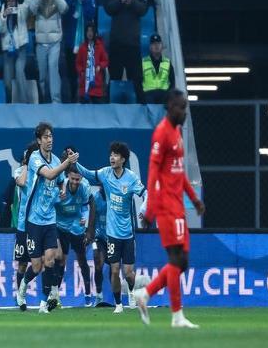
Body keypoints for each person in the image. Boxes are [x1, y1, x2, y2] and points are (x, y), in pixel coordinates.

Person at [136, 89, 205, 329]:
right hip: (165, 206)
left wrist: (194, 199)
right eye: (181, 108)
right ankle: (177, 316)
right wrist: (150, 209)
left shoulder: (177, 133)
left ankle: (145, 293)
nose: (184, 112)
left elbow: (179, 173)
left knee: (182, 262)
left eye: (185, 108)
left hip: (178, 206)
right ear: (170, 107)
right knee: (176, 259)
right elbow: (153, 172)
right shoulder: (162, 133)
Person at [73, 141, 147, 313]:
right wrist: (74, 162)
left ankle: (131, 290)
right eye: (111, 154)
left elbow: (146, 194)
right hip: (112, 234)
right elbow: (88, 174)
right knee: (114, 271)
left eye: (116, 155)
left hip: (127, 234)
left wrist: (144, 209)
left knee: (128, 273)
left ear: (123, 159)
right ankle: (119, 304)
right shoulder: (105, 173)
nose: (112, 158)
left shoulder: (131, 178)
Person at [16, 122, 79, 313]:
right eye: (45, 137)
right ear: (39, 140)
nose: (49, 140)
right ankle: (23, 286)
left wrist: (62, 190)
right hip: (33, 219)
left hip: (50, 219)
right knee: (36, 266)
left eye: (51, 136)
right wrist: (67, 163)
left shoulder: (56, 160)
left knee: (51, 260)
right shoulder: (35, 158)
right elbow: (50, 175)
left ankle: (44, 303)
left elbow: (59, 181)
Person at [105, 0, 147, 102]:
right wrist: (121, 1)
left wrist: (132, 2)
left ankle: (140, 107)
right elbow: (108, 8)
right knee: (114, 77)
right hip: (116, 43)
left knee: (136, 79)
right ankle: (110, 106)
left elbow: (143, 9)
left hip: (132, 44)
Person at [55, 163, 94, 307]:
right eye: (73, 179)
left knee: (82, 260)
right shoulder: (61, 188)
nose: (75, 182)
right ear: (68, 177)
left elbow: (85, 206)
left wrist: (85, 217)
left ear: (81, 178)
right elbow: (52, 205)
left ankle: (88, 294)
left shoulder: (84, 188)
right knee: (60, 260)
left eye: (78, 179)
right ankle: (55, 296)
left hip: (76, 226)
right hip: (60, 226)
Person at [30, 0, 68, 103]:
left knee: (53, 70)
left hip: (55, 42)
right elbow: (31, 11)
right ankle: (43, 98)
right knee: (42, 74)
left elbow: (65, 9)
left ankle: (56, 100)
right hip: (41, 43)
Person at [12, 141, 39, 305]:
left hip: (38, 224)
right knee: (23, 264)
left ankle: (51, 295)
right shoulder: (20, 171)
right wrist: (27, 166)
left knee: (41, 263)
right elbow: (21, 182)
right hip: (23, 225)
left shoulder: (43, 172)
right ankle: (20, 297)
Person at [0, 0, 31, 102]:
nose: (11, 3)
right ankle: (8, 103)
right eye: (9, 1)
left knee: (19, 72)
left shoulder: (21, 9)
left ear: (16, 1)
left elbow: (29, 4)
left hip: (20, 48)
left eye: (13, 1)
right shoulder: (3, 11)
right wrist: (4, 16)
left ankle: (25, 102)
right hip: (8, 51)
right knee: (7, 79)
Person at [63, 0, 96, 102]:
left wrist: (84, 1)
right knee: (72, 72)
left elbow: (91, 15)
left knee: (85, 71)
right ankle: (72, 96)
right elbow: (64, 14)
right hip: (71, 42)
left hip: (85, 42)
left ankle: (85, 96)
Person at [75, 23, 108, 103]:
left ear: (95, 33)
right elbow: (78, 63)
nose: (89, 33)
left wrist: (100, 66)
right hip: (84, 87)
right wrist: (81, 72)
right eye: (88, 31)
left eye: (91, 31)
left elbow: (105, 60)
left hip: (97, 86)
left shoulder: (100, 46)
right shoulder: (82, 47)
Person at [140, 33, 175, 104]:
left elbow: (172, 82)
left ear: (162, 46)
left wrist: (169, 96)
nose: (156, 46)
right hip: (148, 95)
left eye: (158, 43)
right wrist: (142, 97)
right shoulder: (143, 62)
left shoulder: (167, 62)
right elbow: (138, 82)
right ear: (150, 47)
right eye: (154, 44)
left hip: (164, 94)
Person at [92, 185, 108, 305]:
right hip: (98, 237)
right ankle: (99, 295)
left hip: (113, 236)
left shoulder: (114, 196)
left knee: (114, 268)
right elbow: (91, 218)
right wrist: (90, 235)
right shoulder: (95, 198)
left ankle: (118, 299)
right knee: (98, 264)